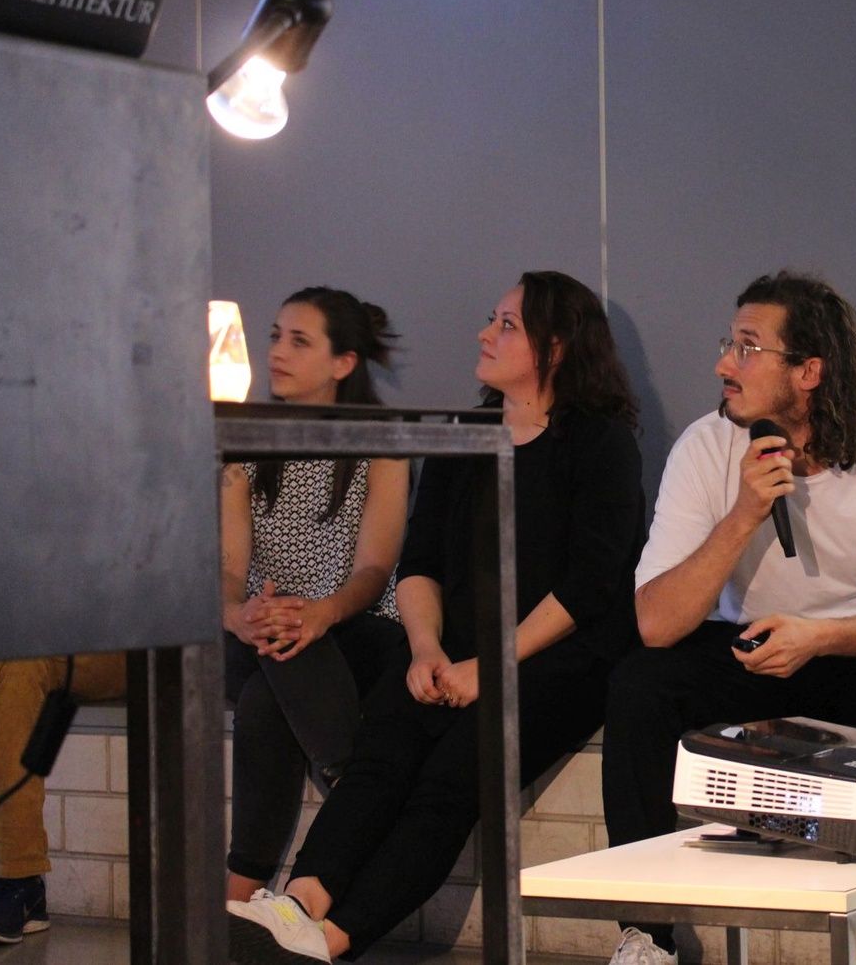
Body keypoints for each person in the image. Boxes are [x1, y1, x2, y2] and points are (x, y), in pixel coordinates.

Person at [227, 270, 645, 964]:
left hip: (556, 659)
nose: (484, 334)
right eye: (491, 319)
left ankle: (331, 939)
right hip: (449, 649)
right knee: (381, 753)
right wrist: (423, 648)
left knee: (452, 778)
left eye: (506, 324)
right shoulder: (467, 435)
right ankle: (297, 904)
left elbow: (591, 586)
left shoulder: (600, 443)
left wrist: (491, 667)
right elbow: (419, 563)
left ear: (556, 346)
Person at [601, 270, 856, 965]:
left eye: (747, 348)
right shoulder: (706, 446)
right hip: (752, 650)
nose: (724, 365)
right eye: (728, 344)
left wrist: (822, 637)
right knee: (641, 683)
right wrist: (743, 515)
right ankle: (646, 935)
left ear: (809, 371)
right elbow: (656, 623)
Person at [221, 287, 411, 905]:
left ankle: (238, 896)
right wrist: (238, 615)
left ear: (342, 362)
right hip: (259, 629)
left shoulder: (381, 440)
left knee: (266, 696)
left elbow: (376, 567)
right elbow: (228, 568)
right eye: (275, 336)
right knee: (275, 655)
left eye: (299, 341)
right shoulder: (246, 438)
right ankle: (355, 786)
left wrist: (320, 613)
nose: (278, 352)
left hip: (353, 626)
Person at [0, 655, 125, 946]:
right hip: (40, 647)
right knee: (13, 668)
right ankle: (22, 882)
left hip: (126, 648)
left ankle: (22, 882)